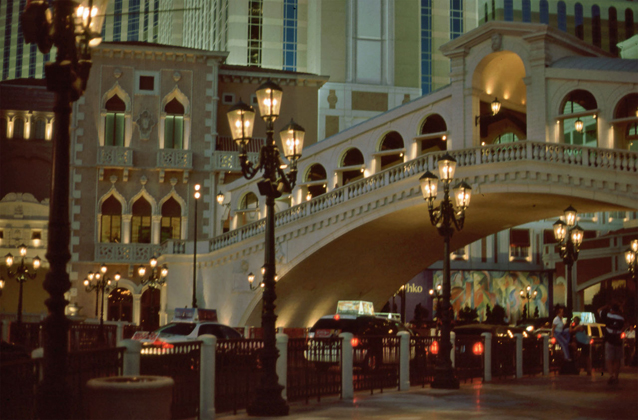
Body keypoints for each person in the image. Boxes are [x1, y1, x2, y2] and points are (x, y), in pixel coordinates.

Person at [598, 303, 625, 385]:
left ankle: (611, 375)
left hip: (609, 340)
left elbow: (599, 310)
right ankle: (616, 377)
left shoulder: (607, 316)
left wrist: (605, 306)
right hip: (618, 341)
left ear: (611, 309)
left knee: (609, 359)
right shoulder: (622, 319)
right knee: (617, 359)